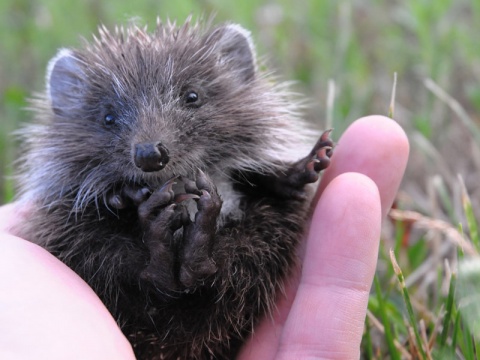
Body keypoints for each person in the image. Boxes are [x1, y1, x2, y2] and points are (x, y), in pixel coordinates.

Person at [0, 115, 409, 359]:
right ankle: (161, 260)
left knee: (267, 217)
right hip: (130, 310)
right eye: (111, 119)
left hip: (217, 302)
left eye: (190, 99)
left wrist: (290, 174)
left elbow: (260, 175)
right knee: (84, 236)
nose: (151, 143)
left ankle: (183, 258)